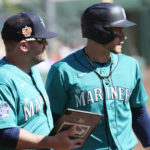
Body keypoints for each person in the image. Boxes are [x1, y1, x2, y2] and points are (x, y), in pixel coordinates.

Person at [46, 3, 150, 150]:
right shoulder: (62, 71)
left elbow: (138, 110)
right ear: (99, 32)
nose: (124, 36)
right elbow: (52, 119)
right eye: (118, 30)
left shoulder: (130, 65)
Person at [0, 12, 84, 150]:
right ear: (24, 46)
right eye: (41, 40)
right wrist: (50, 142)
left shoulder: (31, 69)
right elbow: (4, 133)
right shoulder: (3, 80)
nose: (46, 43)